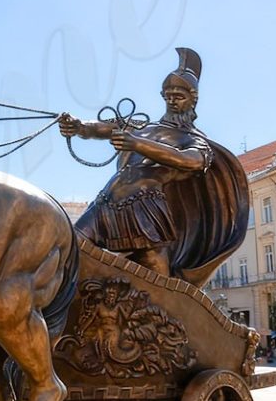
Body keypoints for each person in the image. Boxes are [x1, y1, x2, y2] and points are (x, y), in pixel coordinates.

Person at [59, 48, 248, 285]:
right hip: (107, 202)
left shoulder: (193, 139)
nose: (171, 101)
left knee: (158, 288)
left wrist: (137, 144)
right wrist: (79, 127)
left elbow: (193, 160)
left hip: (146, 213)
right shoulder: (143, 127)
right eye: (167, 96)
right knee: (71, 252)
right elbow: (104, 128)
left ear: (193, 99)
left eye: (178, 97)